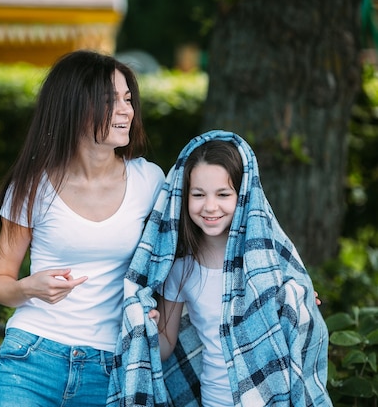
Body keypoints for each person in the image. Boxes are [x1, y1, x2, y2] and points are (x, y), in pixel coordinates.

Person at [0, 50, 165, 407]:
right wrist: (28, 288)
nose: (127, 111)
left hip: (108, 365)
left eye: (128, 99)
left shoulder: (150, 181)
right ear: (76, 107)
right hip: (32, 357)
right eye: (112, 101)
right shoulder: (32, 186)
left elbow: (190, 251)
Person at [107, 130, 332, 407]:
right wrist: (146, 326)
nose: (210, 206)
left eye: (223, 194)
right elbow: (166, 344)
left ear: (243, 196)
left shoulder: (266, 263)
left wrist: (300, 305)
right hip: (215, 400)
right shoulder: (180, 266)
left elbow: (296, 327)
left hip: (272, 398)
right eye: (198, 194)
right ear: (183, 197)